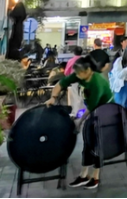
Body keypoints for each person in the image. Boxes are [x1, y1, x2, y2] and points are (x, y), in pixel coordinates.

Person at [45, 57, 114, 190]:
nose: (76, 76)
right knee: (88, 142)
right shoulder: (79, 75)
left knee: (96, 143)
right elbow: (61, 84)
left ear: (88, 71)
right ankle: (84, 175)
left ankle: (95, 177)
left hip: (106, 111)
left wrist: (79, 122)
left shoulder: (97, 83)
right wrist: (53, 98)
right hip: (93, 111)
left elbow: (92, 108)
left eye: (79, 73)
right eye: (76, 73)